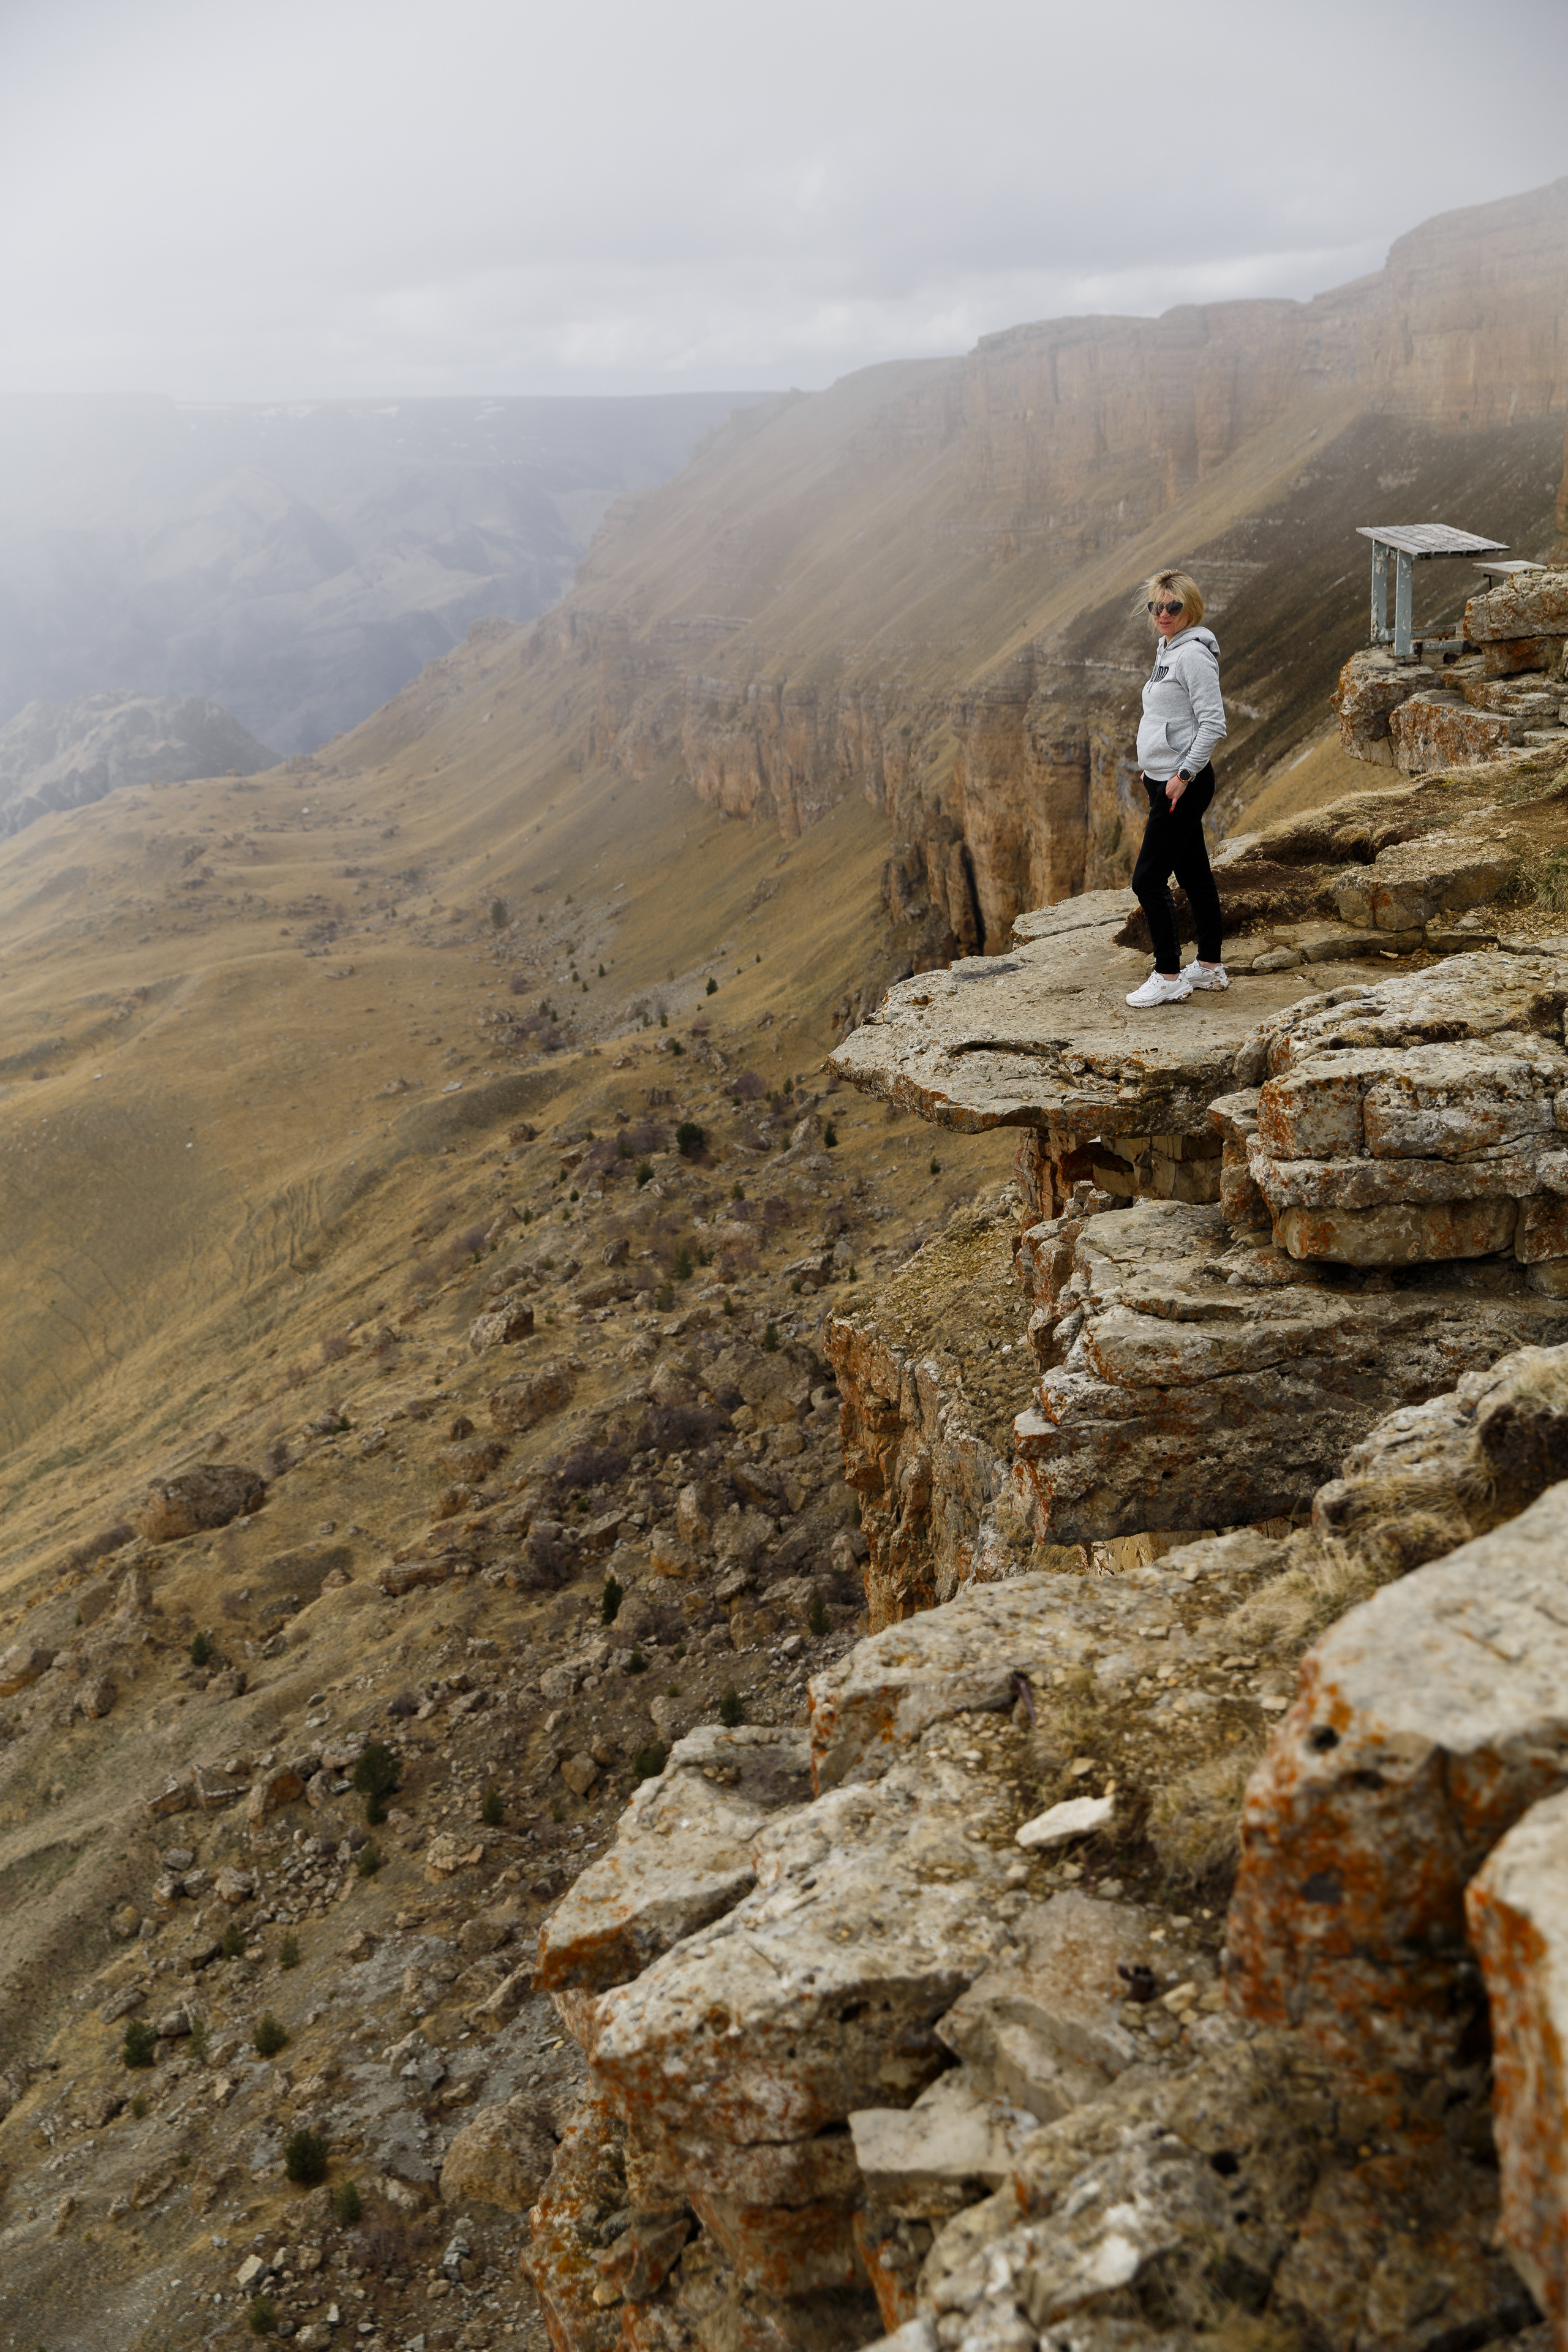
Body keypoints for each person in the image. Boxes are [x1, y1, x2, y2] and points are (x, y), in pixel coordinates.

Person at [1124, 570, 1227, 1008]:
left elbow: (1213, 724)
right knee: (1194, 876)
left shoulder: (1193, 656)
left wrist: (1181, 777)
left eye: (1173, 607)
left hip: (1181, 787)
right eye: (1156, 607)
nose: (1163, 615)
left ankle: (1168, 974)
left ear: (1191, 609)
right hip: (1164, 781)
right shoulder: (1167, 648)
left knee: (1147, 879)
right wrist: (1152, 767)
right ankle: (1208, 967)